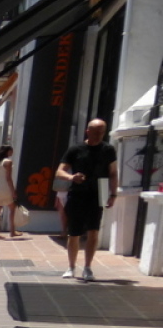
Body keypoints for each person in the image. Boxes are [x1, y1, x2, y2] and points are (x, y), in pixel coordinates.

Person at [57, 118, 118, 281]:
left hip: (99, 193)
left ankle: (88, 267)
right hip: (78, 193)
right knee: (74, 232)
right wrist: (71, 177)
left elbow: (113, 173)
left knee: (93, 231)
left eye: (102, 132)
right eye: (95, 131)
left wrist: (113, 194)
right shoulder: (76, 149)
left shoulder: (108, 149)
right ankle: (71, 267)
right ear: (87, 131)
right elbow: (59, 172)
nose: (98, 135)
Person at [0, 146, 19, 239]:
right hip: (5, 188)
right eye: (11, 151)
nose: (12, 153)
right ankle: (12, 231)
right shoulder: (8, 162)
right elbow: (8, 178)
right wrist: (13, 191)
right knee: (12, 209)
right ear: (8, 151)